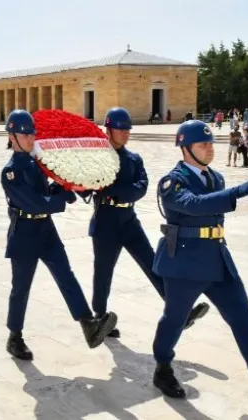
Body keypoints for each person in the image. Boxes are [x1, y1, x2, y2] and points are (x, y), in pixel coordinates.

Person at [151, 120, 248, 412]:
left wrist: (229, 191)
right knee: (175, 319)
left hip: (218, 260)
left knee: (244, 319)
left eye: (210, 144)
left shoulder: (216, 178)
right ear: (185, 148)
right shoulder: (172, 182)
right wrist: (237, 193)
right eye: (202, 145)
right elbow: (193, 204)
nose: (209, 150)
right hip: (184, 262)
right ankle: (162, 366)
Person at [0, 109, 116, 361]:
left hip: (46, 230)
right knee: (21, 288)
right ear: (12, 135)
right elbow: (36, 203)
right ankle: (15, 336)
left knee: (66, 275)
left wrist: (69, 183)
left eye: (32, 133)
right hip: (25, 232)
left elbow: (48, 189)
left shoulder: (36, 163)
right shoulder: (10, 172)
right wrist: (63, 196)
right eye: (25, 134)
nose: (31, 138)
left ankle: (88, 324)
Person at [86, 108, 209, 338]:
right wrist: (111, 191)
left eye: (127, 129)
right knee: (103, 271)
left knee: (153, 263)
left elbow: (140, 188)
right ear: (108, 130)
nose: (125, 133)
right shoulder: (96, 159)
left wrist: (112, 191)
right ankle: (99, 318)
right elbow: (91, 186)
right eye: (120, 129)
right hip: (106, 221)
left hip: (129, 220)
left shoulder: (134, 159)